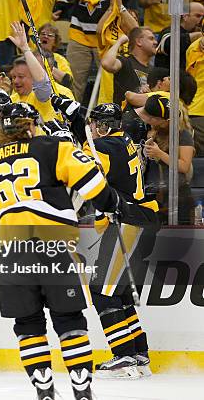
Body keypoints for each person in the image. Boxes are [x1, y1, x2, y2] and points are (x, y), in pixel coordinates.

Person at [0, 103, 124, 400]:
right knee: (69, 320)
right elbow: (94, 185)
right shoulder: (55, 147)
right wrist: (113, 204)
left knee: (27, 325)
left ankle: (44, 390)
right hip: (54, 246)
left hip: (12, 252)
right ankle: (82, 389)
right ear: (32, 125)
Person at [52, 95, 160, 378]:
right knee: (120, 293)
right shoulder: (121, 139)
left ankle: (124, 357)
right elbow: (91, 141)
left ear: (108, 125)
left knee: (102, 291)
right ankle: (139, 355)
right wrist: (74, 115)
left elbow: (80, 164)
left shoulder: (105, 146)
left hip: (126, 222)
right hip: (138, 220)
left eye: (100, 124)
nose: (97, 127)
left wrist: (61, 141)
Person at [139, 95, 196, 225]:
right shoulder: (154, 132)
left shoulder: (183, 135)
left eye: (154, 118)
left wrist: (159, 153)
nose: (150, 120)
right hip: (157, 194)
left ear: (168, 120)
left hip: (179, 195)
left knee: (178, 239)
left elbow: (184, 166)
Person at [100, 27, 158, 105]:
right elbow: (107, 64)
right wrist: (119, 42)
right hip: (124, 115)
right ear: (139, 42)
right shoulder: (126, 61)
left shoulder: (153, 70)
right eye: (151, 39)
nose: (155, 42)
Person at [155, 2, 204, 70]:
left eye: (203, 17)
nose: (201, 20)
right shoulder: (170, 30)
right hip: (166, 77)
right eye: (198, 16)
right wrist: (197, 36)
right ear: (185, 16)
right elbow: (167, 44)